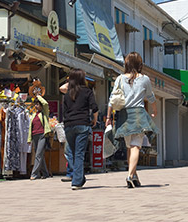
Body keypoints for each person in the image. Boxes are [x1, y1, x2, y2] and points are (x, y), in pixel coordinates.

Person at [106, 52, 158, 188]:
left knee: (130, 146)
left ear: (127, 64)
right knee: (135, 147)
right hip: (139, 114)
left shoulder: (120, 78)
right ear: (140, 64)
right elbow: (151, 96)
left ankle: (134, 176)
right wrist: (154, 110)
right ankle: (130, 175)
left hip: (124, 115)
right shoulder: (144, 79)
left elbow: (111, 100)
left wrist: (108, 117)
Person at [62, 69, 98, 190]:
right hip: (82, 124)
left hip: (69, 126)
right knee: (79, 154)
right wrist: (94, 119)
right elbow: (94, 107)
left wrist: (70, 83)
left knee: (72, 153)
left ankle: (79, 178)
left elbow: (64, 111)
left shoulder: (68, 94)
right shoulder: (87, 91)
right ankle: (76, 182)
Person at [28, 94, 52, 180]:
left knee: (38, 155)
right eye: (35, 104)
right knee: (40, 155)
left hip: (42, 135)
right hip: (34, 136)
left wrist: (38, 96)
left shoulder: (44, 113)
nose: (36, 106)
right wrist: (29, 139)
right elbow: (31, 128)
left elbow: (45, 104)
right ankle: (45, 173)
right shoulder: (34, 115)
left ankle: (34, 174)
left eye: (37, 104)